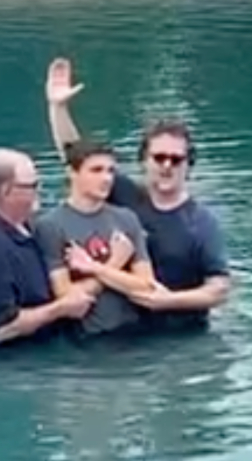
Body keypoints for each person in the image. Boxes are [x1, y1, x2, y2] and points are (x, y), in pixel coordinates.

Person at [44, 57, 231, 332]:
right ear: (145, 160)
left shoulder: (200, 223)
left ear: (188, 165)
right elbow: (78, 158)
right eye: (159, 157)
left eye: (176, 159)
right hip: (127, 329)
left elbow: (219, 288)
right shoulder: (125, 195)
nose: (167, 165)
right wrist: (58, 108)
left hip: (181, 334)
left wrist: (170, 300)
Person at [0, 147, 95, 351]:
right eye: (33, 186)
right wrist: (61, 309)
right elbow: (2, 328)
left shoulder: (15, 223)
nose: (39, 192)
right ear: (6, 191)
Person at [33, 139, 159, 339]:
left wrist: (94, 268)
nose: (106, 178)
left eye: (110, 171)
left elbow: (147, 285)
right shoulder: (50, 226)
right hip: (87, 339)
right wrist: (116, 263)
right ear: (72, 173)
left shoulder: (126, 218)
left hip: (135, 332)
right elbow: (68, 298)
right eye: (96, 170)